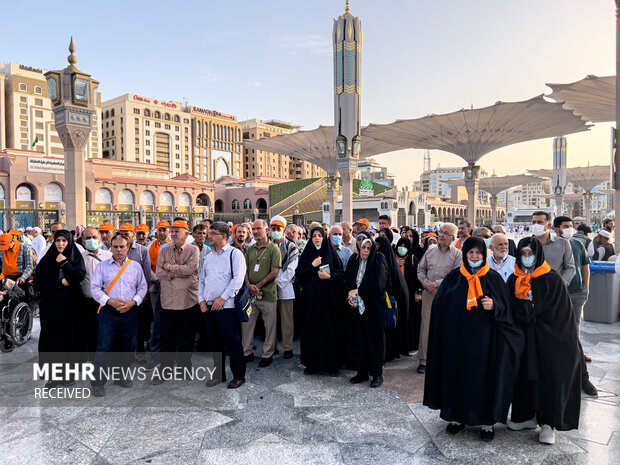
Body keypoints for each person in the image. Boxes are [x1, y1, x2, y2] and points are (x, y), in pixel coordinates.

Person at [424, 237, 524, 442]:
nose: (475, 256)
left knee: (484, 379)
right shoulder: (454, 278)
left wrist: (495, 306)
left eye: (478, 253)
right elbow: (440, 306)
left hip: (486, 344)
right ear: (465, 254)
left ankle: (487, 421)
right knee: (457, 377)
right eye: (471, 253)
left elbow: (507, 308)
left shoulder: (493, 278)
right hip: (457, 341)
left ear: (483, 254)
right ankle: (456, 416)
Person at [506, 237, 582, 445]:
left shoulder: (551, 278)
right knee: (524, 377)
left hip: (549, 339)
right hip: (523, 339)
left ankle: (548, 423)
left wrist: (530, 311)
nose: (527, 258)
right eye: (523, 254)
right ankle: (526, 416)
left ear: (538, 255)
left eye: (531, 254)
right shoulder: (515, 278)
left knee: (548, 378)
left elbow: (558, 313)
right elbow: (510, 306)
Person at [90, 234, 148, 397]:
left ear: (128, 247)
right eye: (115, 247)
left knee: (127, 346)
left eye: (122, 247)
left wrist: (133, 302)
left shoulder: (135, 267)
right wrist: (109, 301)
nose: (118, 250)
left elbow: (142, 287)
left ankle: (121, 377)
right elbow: (94, 288)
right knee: (104, 347)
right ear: (111, 248)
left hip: (130, 311)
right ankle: (98, 383)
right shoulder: (102, 267)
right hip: (109, 312)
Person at [34, 229, 86, 386]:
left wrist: (65, 263)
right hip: (51, 306)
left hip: (71, 306)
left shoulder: (75, 256)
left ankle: (68, 374)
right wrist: (58, 283)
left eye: (64, 241)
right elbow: (38, 282)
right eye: (58, 241)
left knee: (69, 338)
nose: (61, 244)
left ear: (69, 242)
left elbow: (79, 276)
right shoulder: (47, 258)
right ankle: (53, 376)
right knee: (52, 338)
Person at [200, 221, 247, 389]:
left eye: (212, 233)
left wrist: (223, 298)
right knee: (214, 343)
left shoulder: (235, 254)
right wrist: (201, 300)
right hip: (209, 308)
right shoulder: (208, 257)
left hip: (227, 308)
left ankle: (239, 376)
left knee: (232, 343)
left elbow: (238, 280)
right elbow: (202, 281)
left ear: (224, 236)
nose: (208, 236)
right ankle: (218, 374)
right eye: (209, 233)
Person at [554, 216, 598, 394]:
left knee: (574, 331)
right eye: (565, 226)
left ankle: (580, 376)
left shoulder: (578, 244)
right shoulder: (550, 245)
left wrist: (585, 287)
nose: (569, 229)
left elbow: (585, 265)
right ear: (556, 229)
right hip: (556, 295)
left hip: (576, 293)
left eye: (571, 226)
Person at [153, 220, 199, 382]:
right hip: (168, 301)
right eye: (171, 231)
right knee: (167, 338)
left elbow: (191, 269)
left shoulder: (193, 250)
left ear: (186, 234)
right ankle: (165, 370)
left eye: (176, 231)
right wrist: (179, 272)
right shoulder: (164, 250)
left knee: (186, 338)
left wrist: (170, 268)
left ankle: (184, 369)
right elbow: (159, 272)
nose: (172, 234)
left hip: (188, 301)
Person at [296, 226, 345, 375]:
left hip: (329, 300)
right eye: (314, 236)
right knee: (312, 328)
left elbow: (341, 273)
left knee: (329, 329)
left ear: (324, 238)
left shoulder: (331, 253)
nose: (317, 238)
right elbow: (300, 275)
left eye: (320, 235)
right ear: (310, 238)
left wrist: (329, 277)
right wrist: (312, 265)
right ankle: (312, 363)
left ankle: (332, 364)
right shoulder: (307, 254)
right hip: (311, 300)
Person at [416, 223, 462, 373]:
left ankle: (443, 359)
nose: (441, 235)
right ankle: (424, 360)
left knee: (446, 327)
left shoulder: (457, 254)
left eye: (446, 233)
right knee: (426, 326)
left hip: (447, 295)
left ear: (453, 237)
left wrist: (436, 284)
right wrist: (426, 284)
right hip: (428, 294)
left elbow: (456, 275)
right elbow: (421, 269)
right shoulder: (430, 251)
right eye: (440, 232)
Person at [345, 237, 388, 387]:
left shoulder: (378, 261)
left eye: (369, 248)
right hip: (357, 308)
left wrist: (358, 290)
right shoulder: (356, 261)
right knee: (359, 339)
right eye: (363, 247)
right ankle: (361, 371)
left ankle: (377, 373)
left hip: (374, 307)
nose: (365, 251)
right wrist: (349, 296)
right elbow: (349, 281)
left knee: (375, 340)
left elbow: (379, 285)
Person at [243, 219, 281, 367]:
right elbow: (244, 270)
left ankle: (267, 354)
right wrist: (248, 285)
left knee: (269, 326)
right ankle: (247, 352)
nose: (256, 231)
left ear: (267, 230)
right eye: (253, 229)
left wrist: (257, 286)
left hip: (268, 295)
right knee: (246, 324)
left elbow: (274, 272)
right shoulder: (250, 249)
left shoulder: (273, 249)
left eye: (258, 228)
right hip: (251, 295)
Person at [376, 235, 410, 361]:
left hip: (390, 303)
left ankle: (390, 353)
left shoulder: (390, 264)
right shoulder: (381, 260)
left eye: (378, 245)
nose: (376, 248)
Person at [80, 227, 113, 356]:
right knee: (90, 331)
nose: (91, 240)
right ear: (83, 241)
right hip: (87, 301)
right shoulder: (79, 258)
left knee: (107, 331)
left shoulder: (109, 256)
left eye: (94, 237)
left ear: (100, 240)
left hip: (106, 301)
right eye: (88, 238)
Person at [270, 215, 299, 359]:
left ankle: (287, 348)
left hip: (285, 287)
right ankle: (272, 347)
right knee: (271, 320)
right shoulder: (267, 246)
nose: (276, 231)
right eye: (273, 228)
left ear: (283, 230)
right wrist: (270, 285)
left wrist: (278, 284)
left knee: (287, 320)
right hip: (268, 289)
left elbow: (291, 269)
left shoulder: (291, 246)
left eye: (278, 229)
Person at [146, 220, 171, 369]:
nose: (161, 233)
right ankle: (156, 354)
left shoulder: (172, 246)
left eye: (164, 230)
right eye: (159, 230)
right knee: (157, 320)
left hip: (171, 287)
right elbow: (147, 265)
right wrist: (156, 278)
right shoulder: (150, 247)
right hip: (156, 286)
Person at [531, 211, 575, 286]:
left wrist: (561, 285)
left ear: (549, 225)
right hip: (531, 289)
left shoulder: (563, 244)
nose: (536, 225)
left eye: (539, 222)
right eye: (534, 222)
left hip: (555, 288)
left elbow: (570, 268)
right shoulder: (527, 244)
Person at [395, 236, 423, 353]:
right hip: (397, 294)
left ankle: (410, 345)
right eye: (400, 246)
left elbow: (419, 277)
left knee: (410, 320)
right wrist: (396, 264)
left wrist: (418, 292)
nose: (402, 249)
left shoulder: (412, 259)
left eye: (405, 246)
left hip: (410, 295)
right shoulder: (393, 258)